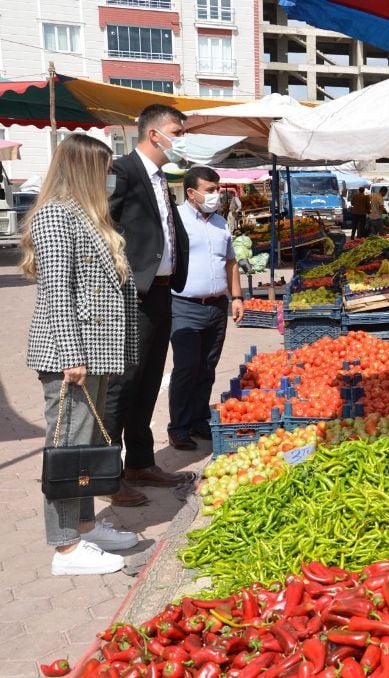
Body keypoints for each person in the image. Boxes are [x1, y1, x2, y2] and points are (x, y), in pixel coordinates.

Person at [22, 135, 141, 575]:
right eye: (106, 168)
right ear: (85, 170)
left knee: (88, 445)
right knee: (68, 445)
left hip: (97, 350)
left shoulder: (88, 216)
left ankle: (85, 526)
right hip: (71, 352)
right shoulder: (55, 214)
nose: (111, 176)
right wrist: (72, 355)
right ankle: (65, 546)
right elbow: (57, 290)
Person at [103, 103, 193, 507]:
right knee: (122, 385)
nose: (182, 139)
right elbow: (100, 224)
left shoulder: (161, 178)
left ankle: (140, 461)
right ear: (155, 134)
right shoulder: (122, 170)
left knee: (150, 379)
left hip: (161, 292)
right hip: (131, 294)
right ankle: (106, 474)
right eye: (178, 131)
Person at [167, 167, 245, 450]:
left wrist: (237, 297)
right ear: (191, 192)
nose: (215, 195)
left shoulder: (220, 222)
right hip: (184, 305)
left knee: (207, 367)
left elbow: (231, 262)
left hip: (217, 306)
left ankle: (199, 420)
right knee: (186, 367)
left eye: (217, 189)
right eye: (209, 190)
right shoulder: (174, 220)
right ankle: (179, 426)